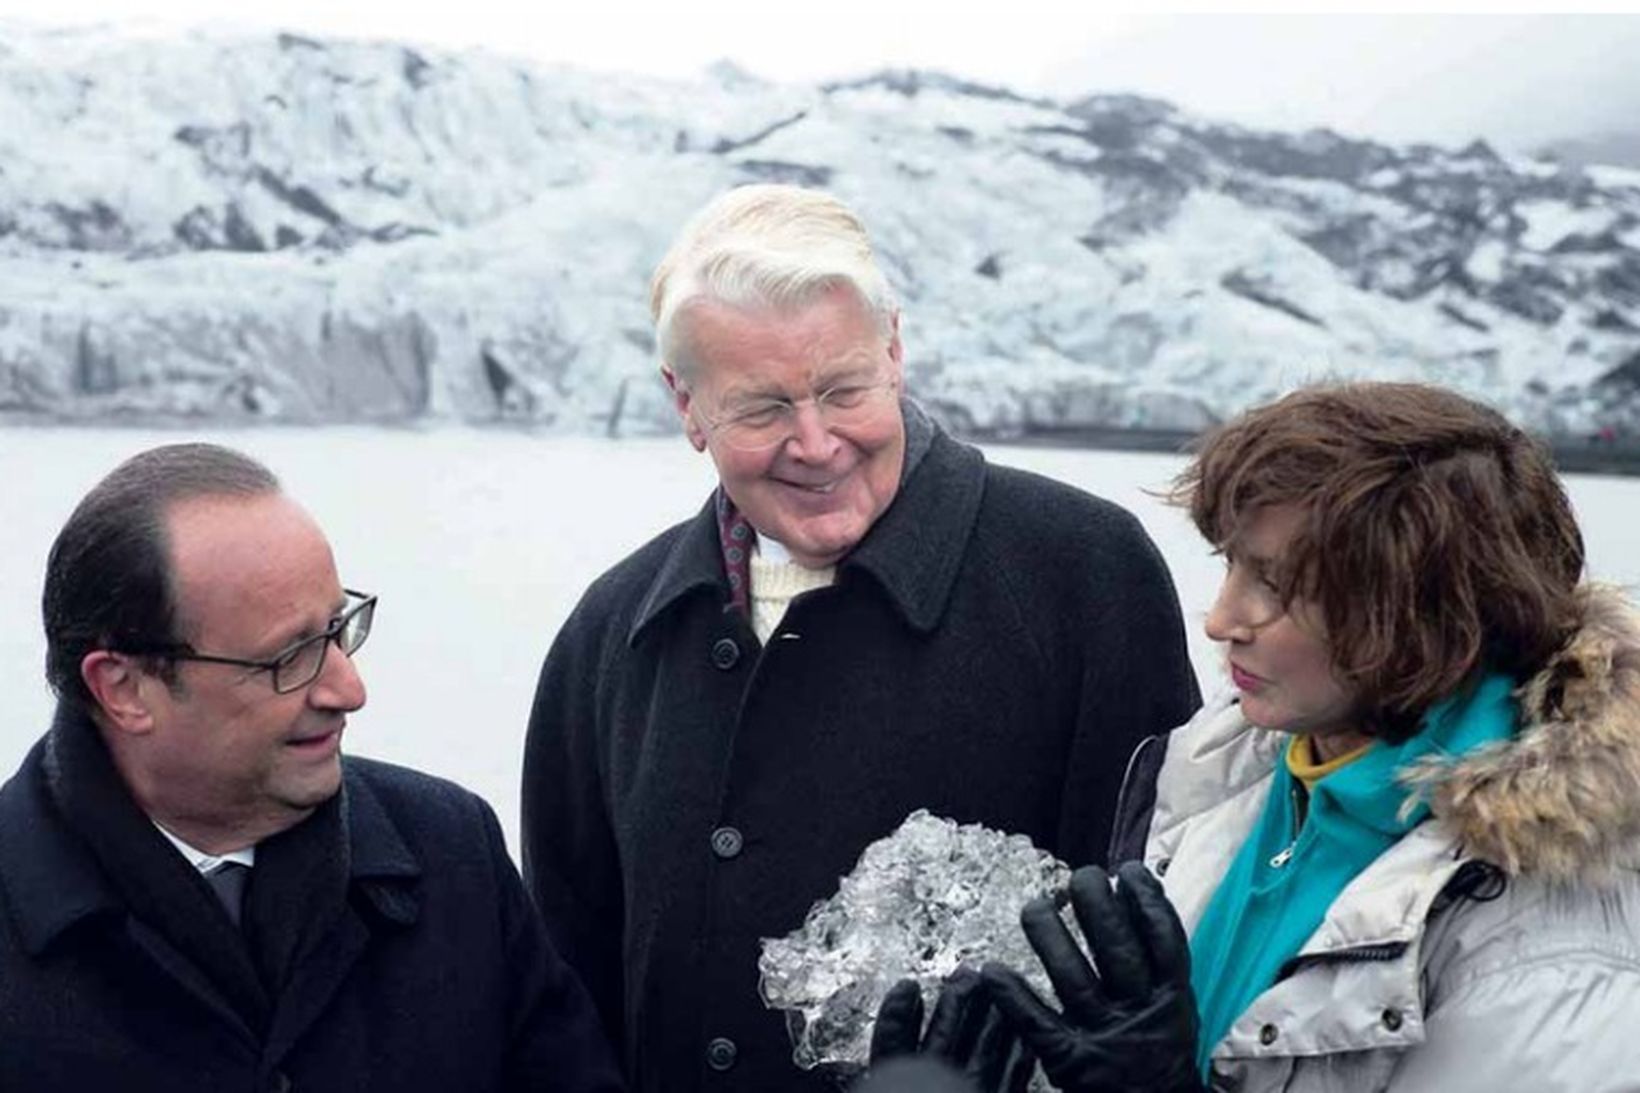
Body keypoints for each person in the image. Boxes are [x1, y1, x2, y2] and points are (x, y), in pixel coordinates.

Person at [520, 183, 1200, 1092]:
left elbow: (1155, 927)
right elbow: (564, 994)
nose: (816, 442)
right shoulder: (611, 630)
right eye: (761, 409)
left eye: (844, 390)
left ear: (895, 352)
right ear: (686, 406)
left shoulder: (1083, 572)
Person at [976, 382, 1640, 1091]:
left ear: (1428, 614)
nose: (1221, 618)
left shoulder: (1552, 950)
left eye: (1278, 584)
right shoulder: (1242, 770)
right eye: (1228, 563)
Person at [0, 443, 624, 1093]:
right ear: (123, 688)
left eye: (337, 628)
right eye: (289, 656)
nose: (348, 688)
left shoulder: (452, 853)